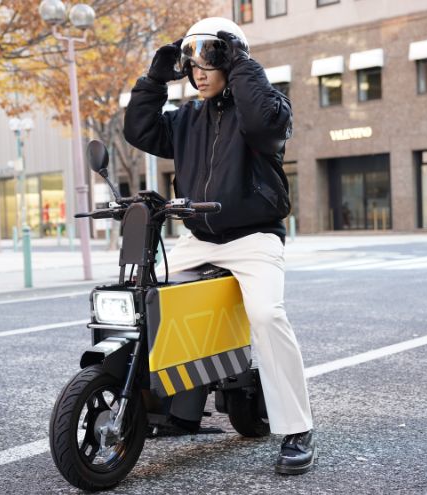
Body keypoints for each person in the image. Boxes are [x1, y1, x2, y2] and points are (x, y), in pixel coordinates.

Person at [124, 17, 316, 475]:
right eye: (192, 65)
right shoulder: (186, 119)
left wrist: (243, 62)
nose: (199, 73)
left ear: (231, 60)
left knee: (266, 315)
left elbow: (264, 123)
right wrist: (154, 79)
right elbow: (139, 130)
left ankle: (297, 429)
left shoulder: (265, 109)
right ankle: (172, 407)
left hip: (254, 239)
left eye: (210, 62)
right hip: (199, 237)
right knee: (145, 302)